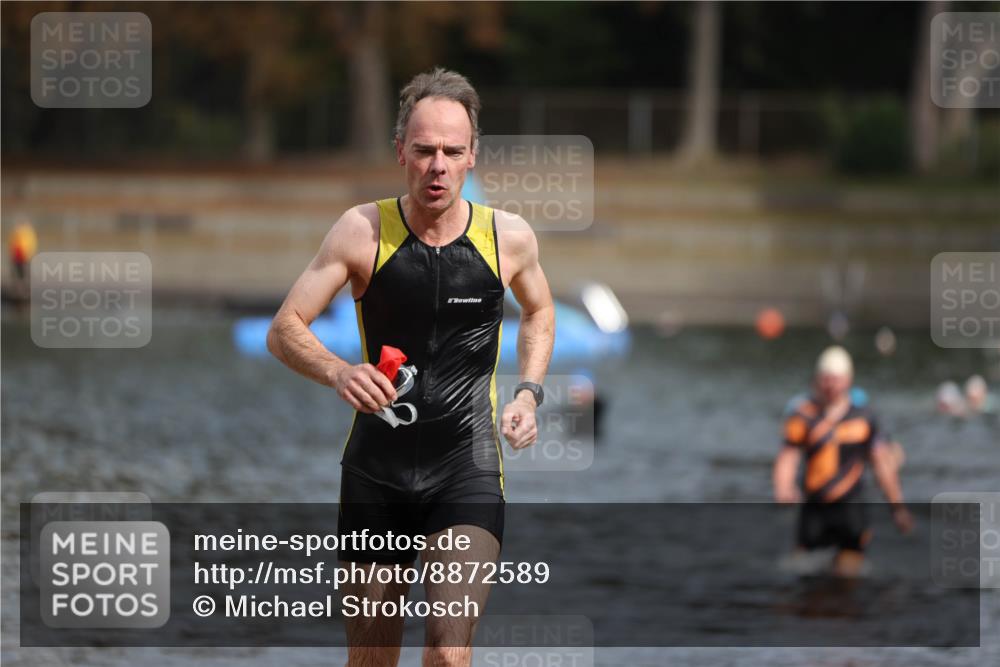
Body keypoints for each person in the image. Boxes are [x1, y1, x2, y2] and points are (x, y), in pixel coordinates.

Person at [267, 68, 555, 667]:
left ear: (473, 155)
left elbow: (539, 311)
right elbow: (284, 328)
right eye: (424, 151)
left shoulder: (508, 238)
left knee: (449, 652)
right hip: (377, 472)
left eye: (452, 151)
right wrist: (338, 372)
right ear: (401, 151)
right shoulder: (362, 231)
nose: (437, 166)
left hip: (466, 469)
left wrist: (528, 393)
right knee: (373, 660)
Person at [772, 346, 913, 578]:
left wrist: (897, 507)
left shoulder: (864, 418)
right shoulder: (802, 416)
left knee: (848, 577)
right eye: (825, 379)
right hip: (814, 508)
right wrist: (783, 487)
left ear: (848, 380)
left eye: (836, 380)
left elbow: (881, 465)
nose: (830, 385)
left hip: (850, 508)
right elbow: (788, 456)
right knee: (802, 576)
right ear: (816, 380)